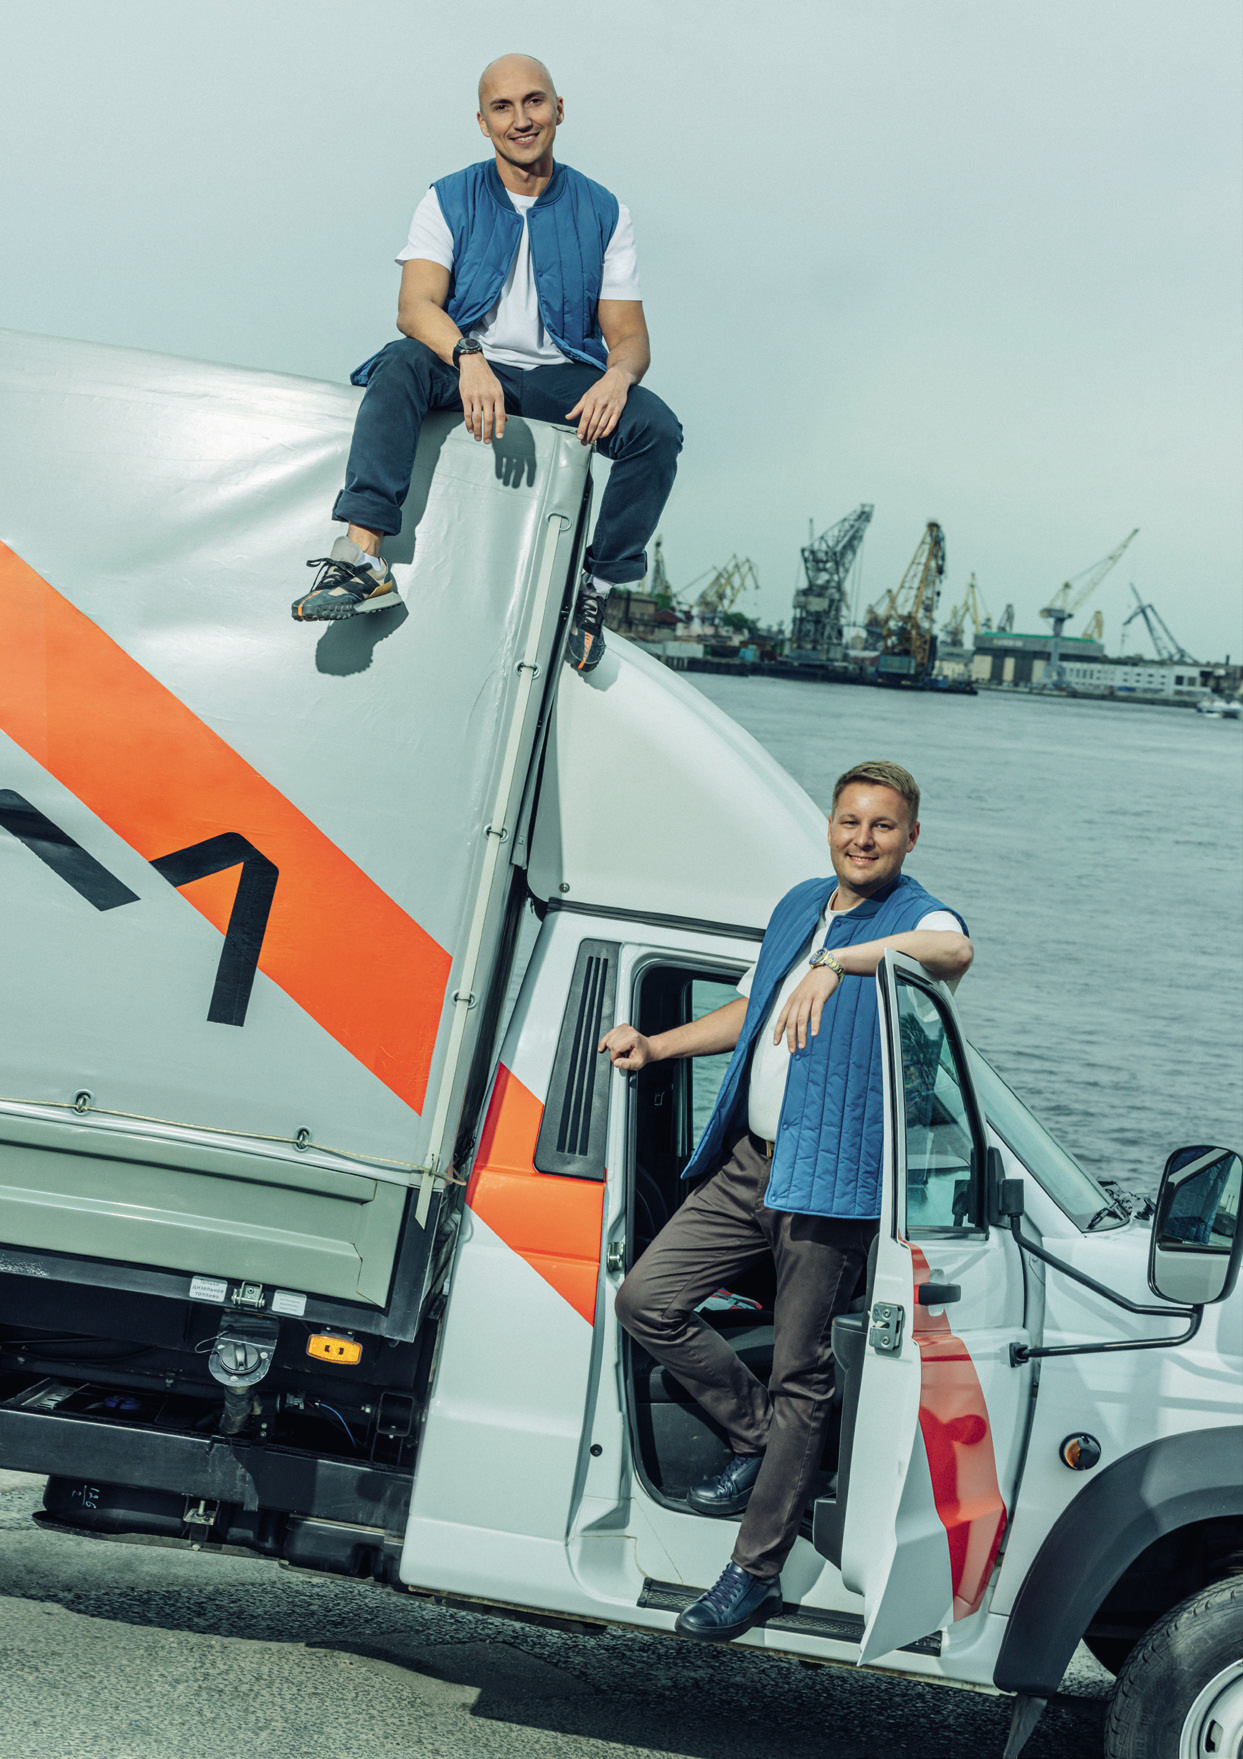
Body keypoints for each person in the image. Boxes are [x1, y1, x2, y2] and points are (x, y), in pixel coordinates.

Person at [601, 760, 973, 1642]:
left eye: (882, 825)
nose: (862, 838)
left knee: (802, 1372)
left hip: (831, 1181)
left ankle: (754, 1571)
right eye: (849, 820)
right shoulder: (799, 904)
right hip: (751, 1165)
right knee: (646, 1297)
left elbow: (953, 952)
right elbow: (751, 1010)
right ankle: (760, 1437)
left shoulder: (916, 915)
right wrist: (656, 1046)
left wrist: (838, 964)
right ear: (830, 824)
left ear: (910, 836)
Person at [292, 52, 682, 674]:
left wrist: (618, 374)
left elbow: (630, 336)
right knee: (400, 364)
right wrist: (468, 356)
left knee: (655, 429)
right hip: (464, 364)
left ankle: (596, 590)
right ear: (483, 122)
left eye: (534, 102)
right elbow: (415, 308)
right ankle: (362, 559)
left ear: (559, 109)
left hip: (560, 377)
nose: (520, 119)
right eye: (503, 107)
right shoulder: (447, 197)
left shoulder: (605, 210)